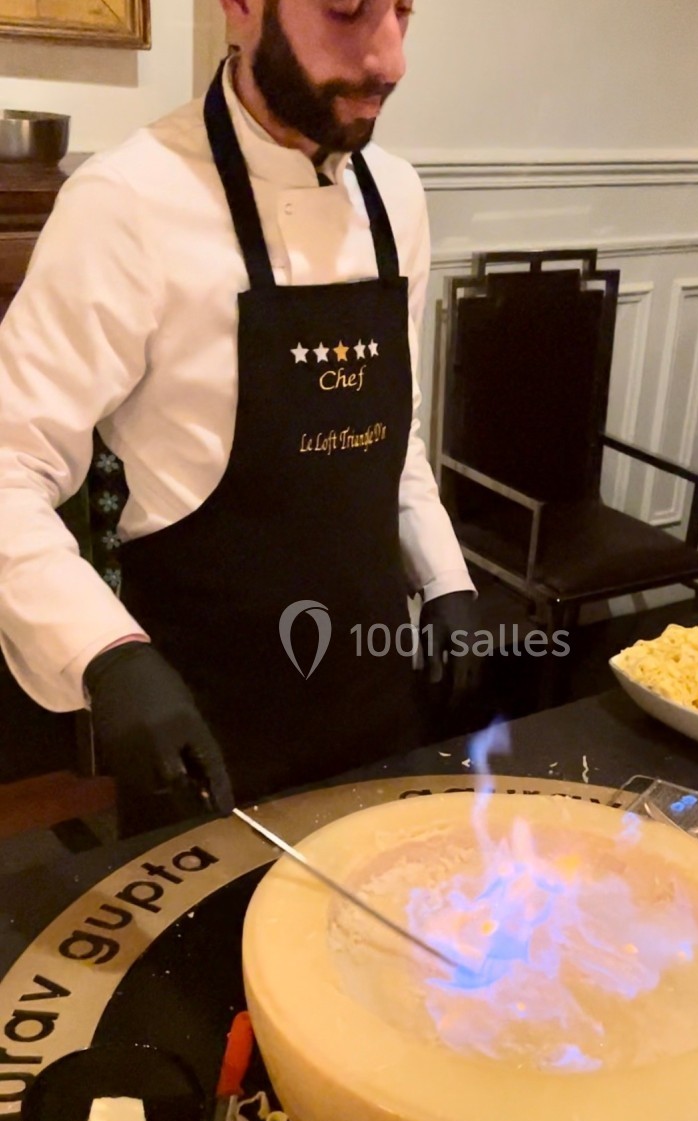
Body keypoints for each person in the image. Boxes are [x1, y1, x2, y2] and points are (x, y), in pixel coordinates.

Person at [0, 0, 477, 833]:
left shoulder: (398, 195)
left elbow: (391, 434)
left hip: (377, 693)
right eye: (348, 10)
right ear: (243, 7)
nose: (390, 58)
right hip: (203, 724)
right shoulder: (126, 202)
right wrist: (105, 657)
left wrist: (445, 579)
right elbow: (8, 465)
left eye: (405, 8)